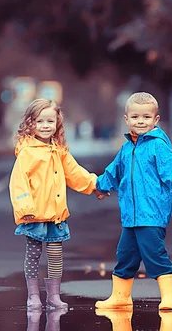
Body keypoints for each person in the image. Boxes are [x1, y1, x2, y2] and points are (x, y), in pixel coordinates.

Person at [94, 92, 172, 311]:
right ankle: (120, 297)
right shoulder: (126, 148)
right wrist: (99, 186)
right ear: (126, 120)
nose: (140, 121)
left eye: (145, 117)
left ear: (156, 120)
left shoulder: (158, 146)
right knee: (125, 255)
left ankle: (169, 297)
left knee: (154, 254)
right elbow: (113, 172)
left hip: (152, 214)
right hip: (130, 216)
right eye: (135, 117)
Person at [9, 98, 104, 311]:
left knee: (55, 255)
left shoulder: (59, 150)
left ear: (57, 123)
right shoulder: (27, 152)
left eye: (50, 121)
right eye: (40, 121)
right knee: (33, 254)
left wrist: (95, 185)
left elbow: (75, 172)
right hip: (34, 215)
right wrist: (25, 209)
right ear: (30, 123)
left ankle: (54, 296)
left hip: (56, 215)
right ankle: (33, 296)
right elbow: (18, 182)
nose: (45, 126)